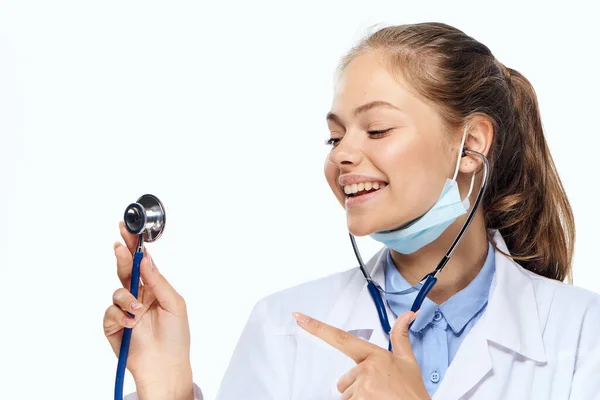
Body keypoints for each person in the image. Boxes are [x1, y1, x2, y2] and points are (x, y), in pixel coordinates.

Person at [103, 22, 600, 400]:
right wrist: (167, 385)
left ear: (470, 145)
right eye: (335, 135)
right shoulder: (283, 329)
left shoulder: (582, 336)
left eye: (377, 130)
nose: (341, 155)